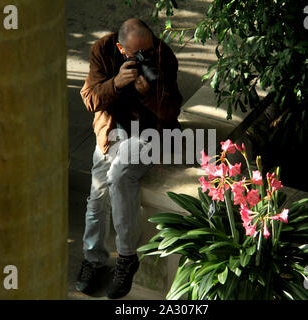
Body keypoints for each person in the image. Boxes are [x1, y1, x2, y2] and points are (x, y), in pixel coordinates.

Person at [77, 18, 182, 299]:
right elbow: (89, 98)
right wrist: (116, 84)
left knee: (120, 176)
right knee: (97, 196)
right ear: (122, 48)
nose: (145, 57)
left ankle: (126, 258)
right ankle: (93, 259)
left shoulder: (163, 54)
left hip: (149, 133)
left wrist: (149, 96)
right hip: (111, 132)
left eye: (148, 50)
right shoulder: (102, 50)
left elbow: (171, 110)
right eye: (137, 54)